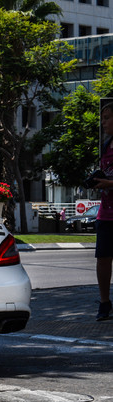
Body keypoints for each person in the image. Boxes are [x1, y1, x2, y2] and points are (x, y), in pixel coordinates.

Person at [94, 103, 113, 320]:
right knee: (102, 258)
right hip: (105, 214)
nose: (103, 122)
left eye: (107, 118)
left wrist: (108, 183)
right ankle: (104, 302)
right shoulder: (106, 145)